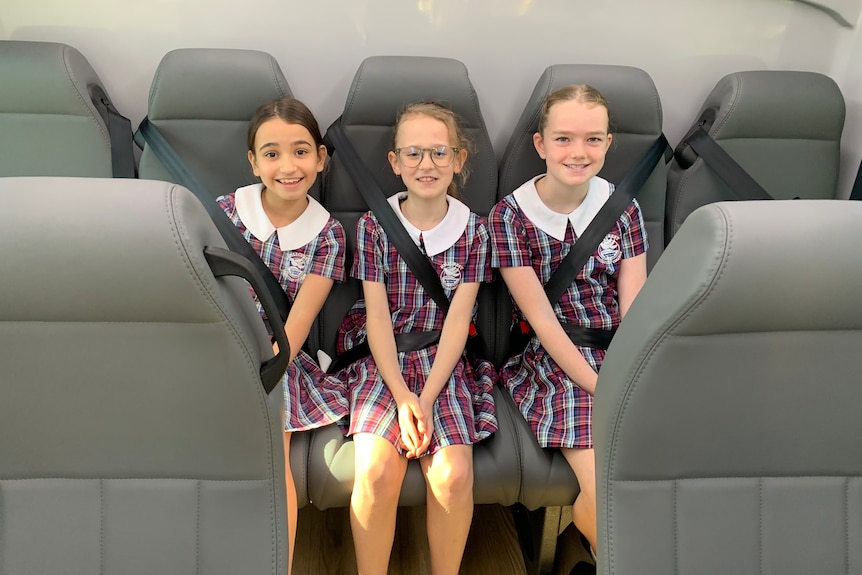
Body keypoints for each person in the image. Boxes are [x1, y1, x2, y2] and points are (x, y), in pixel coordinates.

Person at [333, 101, 497, 575]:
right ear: (395, 162)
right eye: (413, 153)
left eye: (439, 153)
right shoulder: (373, 227)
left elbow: (458, 322)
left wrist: (424, 398)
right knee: (377, 470)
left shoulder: (475, 232)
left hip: (444, 362)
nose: (426, 165)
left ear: (459, 161)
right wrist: (403, 396)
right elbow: (377, 321)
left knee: (453, 474)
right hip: (382, 359)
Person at [489, 84, 648, 568]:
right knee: (606, 486)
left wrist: (634, 375)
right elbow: (540, 318)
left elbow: (635, 309)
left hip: (619, 353)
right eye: (563, 139)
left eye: (593, 140)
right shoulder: (510, 218)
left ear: (608, 143)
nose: (579, 153)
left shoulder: (624, 210)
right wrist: (603, 386)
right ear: (540, 145)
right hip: (552, 360)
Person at [216, 97, 348, 574]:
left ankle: (279, 563)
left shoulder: (329, 235)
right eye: (271, 153)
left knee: (273, 455)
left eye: (300, 151)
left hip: (277, 357)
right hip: (215, 345)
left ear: (320, 157)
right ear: (253, 161)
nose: (287, 166)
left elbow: (296, 327)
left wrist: (259, 372)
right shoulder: (223, 214)